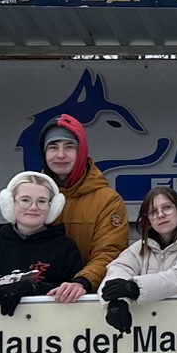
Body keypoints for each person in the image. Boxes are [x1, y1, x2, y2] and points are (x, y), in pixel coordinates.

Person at [0, 171, 89, 314]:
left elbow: (72, 293)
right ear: (10, 203)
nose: (33, 207)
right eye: (25, 200)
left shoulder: (65, 247)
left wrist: (32, 289)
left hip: (49, 331)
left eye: (42, 201)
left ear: (53, 206)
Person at [37, 114, 130, 295]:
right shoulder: (34, 194)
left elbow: (110, 252)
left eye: (69, 147)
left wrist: (83, 281)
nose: (60, 155)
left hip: (85, 300)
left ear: (82, 151)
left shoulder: (107, 200)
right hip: (38, 299)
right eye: (53, 147)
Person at [99, 186, 177, 332]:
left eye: (167, 207)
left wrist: (134, 288)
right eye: (153, 212)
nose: (161, 215)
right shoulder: (139, 248)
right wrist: (117, 301)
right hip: (147, 337)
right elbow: (118, 269)